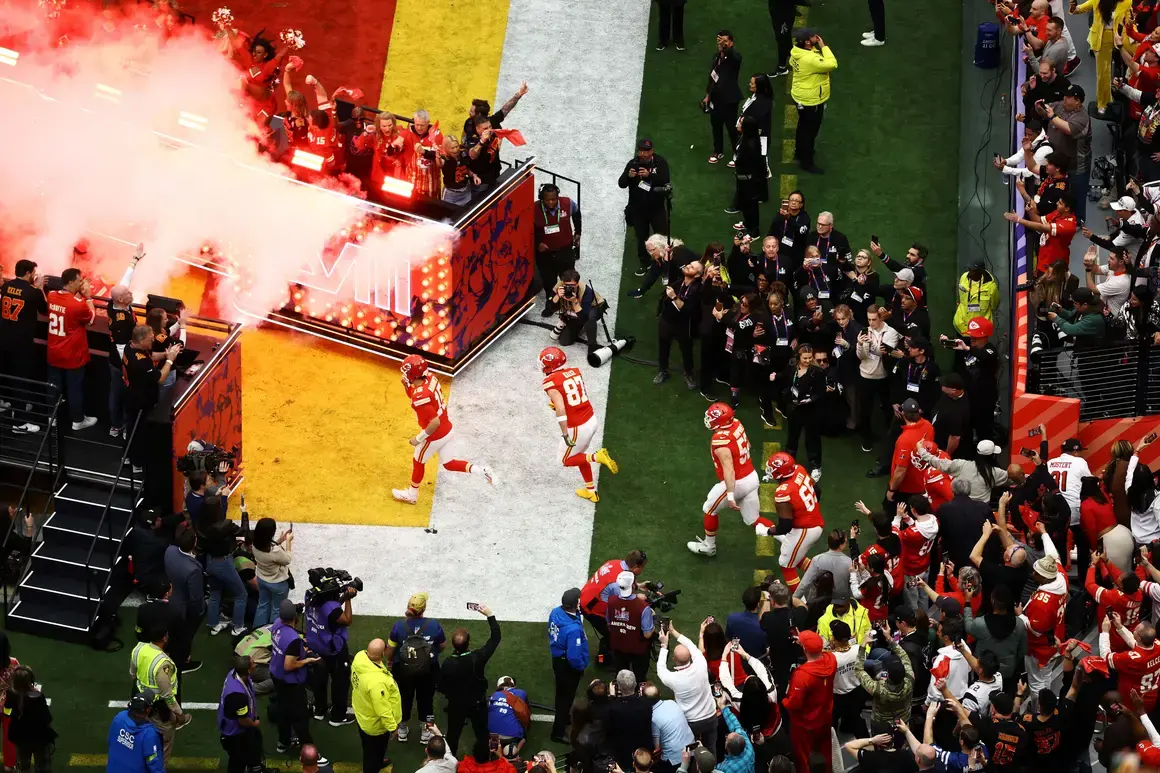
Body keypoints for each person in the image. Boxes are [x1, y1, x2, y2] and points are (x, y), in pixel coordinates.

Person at [393, 354, 494, 504]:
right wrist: (407, 386)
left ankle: (412, 494)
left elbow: (434, 422)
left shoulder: (420, 396)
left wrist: (418, 438)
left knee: (418, 461)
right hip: (448, 429)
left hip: (435, 436)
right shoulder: (431, 378)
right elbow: (418, 394)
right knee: (449, 464)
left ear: (412, 374)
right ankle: (482, 471)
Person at [540, 346, 618, 502]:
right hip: (591, 419)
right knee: (579, 456)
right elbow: (573, 398)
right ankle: (591, 491)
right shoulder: (574, 372)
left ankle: (597, 457)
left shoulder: (549, 382)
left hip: (578, 426)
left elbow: (561, 408)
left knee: (565, 460)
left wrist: (565, 433)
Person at [687, 403, 761, 556]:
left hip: (737, 482)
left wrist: (730, 495)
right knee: (754, 520)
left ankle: (709, 547)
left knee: (709, 508)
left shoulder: (720, 440)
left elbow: (729, 470)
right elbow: (748, 445)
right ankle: (785, 537)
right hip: (752, 477)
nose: (709, 419)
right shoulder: (736, 423)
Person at [438, 603, 500, 756]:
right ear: (469, 643)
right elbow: (495, 638)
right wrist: (490, 615)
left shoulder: (448, 663)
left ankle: (449, 761)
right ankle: (484, 759)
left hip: (456, 704)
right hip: (477, 703)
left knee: (453, 735)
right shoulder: (477, 658)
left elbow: (441, 686)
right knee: (481, 733)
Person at [385, 592, 444, 741]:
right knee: (427, 700)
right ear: (423, 608)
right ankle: (426, 731)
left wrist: (390, 661)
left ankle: (402, 729)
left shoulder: (399, 626)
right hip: (428, 669)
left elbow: (390, 649)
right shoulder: (433, 624)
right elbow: (442, 645)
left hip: (403, 670)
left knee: (403, 698)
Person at [45, 267, 97, 431]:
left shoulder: (52, 295)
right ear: (71, 282)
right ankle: (78, 420)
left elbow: (67, 306)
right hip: (73, 355)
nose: (82, 283)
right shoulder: (78, 305)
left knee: (53, 387)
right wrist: (88, 297)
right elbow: (91, 319)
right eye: (80, 280)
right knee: (75, 389)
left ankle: (51, 417)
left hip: (54, 351)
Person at [130, 625, 188, 766]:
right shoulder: (163, 663)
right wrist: (180, 715)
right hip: (158, 711)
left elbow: (133, 674)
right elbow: (167, 696)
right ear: (165, 638)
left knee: (141, 739)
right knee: (164, 744)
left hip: (140, 706)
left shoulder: (138, 649)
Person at [0, 260, 47, 433]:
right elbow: (45, 310)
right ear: (28, 273)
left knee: (10, 378)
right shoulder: (32, 292)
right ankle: (19, 423)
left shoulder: (6, 286)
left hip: (5, 340)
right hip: (21, 344)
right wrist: (39, 288)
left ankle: (14, 408)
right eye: (33, 272)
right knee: (21, 382)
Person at [656, 623, 717, 751]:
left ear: (673, 659)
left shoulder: (673, 679)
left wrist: (664, 645)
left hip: (690, 722)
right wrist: (674, 631)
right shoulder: (701, 663)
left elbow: (660, 669)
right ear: (690, 656)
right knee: (711, 749)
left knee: (690, 751)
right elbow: (690, 645)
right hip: (710, 716)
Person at [782, 631, 837, 772]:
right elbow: (823, 652)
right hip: (825, 717)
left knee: (805, 758)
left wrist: (784, 701)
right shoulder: (831, 660)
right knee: (825, 752)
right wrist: (805, 642)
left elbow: (794, 704)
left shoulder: (802, 675)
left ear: (804, 650)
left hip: (805, 724)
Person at [270, 599, 320, 756]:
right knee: (300, 717)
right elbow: (289, 665)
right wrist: (307, 660)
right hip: (290, 682)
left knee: (283, 710)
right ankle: (310, 752)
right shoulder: (293, 639)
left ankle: (284, 742)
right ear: (295, 618)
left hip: (276, 675)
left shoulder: (277, 624)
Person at [788, 29, 838, 174]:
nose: (816, 37)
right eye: (812, 37)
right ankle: (806, 162)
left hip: (800, 95)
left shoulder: (796, 52)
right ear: (807, 42)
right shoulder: (811, 59)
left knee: (802, 127)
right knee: (809, 132)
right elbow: (832, 64)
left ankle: (799, 152)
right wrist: (823, 46)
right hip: (811, 100)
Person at [619, 139, 672, 273]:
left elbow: (665, 180)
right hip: (638, 210)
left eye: (646, 151)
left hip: (656, 209)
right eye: (641, 151)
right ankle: (645, 262)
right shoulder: (633, 164)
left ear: (652, 151)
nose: (643, 154)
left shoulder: (660, 162)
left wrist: (650, 176)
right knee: (641, 238)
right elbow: (621, 183)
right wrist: (628, 176)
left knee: (661, 236)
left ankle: (664, 261)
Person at [351, 638, 402, 773]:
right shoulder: (377, 682)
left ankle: (377, 761)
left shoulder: (360, 658)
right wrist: (393, 727)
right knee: (373, 752)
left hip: (363, 715)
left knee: (369, 748)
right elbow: (383, 710)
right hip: (375, 725)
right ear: (382, 654)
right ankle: (373, 766)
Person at [856, 306, 902, 452]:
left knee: (888, 409)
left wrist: (870, 343)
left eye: (874, 319)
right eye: (869, 319)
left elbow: (883, 352)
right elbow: (861, 356)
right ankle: (866, 438)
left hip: (884, 377)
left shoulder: (891, 333)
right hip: (866, 376)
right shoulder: (864, 331)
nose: (871, 323)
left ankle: (892, 438)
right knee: (865, 410)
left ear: (881, 318)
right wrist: (860, 344)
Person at [654, 259, 703, 390]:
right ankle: (663, 370)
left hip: (683, 324)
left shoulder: (697, 290)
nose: (687, 266)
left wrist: (674, 297)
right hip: (667, 320)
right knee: (663, 346)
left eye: (692, 267)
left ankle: (689, 373)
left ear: (697, 275)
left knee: (686, 350)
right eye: (689, 264)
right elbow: (668, 265)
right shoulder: (678, 282)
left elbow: (687, 309)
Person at [535, 184, 582, 317]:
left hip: (565, 251)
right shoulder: (533, 209)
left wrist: (578, 232)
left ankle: (572, 303)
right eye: (548, 200)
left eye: (554, 199)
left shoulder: (567, 203)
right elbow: (527, 230)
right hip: (545, 255)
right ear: (541, 199)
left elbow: (577, 213)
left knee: (569, 279)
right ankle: (551, 305)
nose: (551, 202)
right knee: (549, 282)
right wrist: (537, 244)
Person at [548, 588, 588, 743]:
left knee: (562, 695)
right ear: (575, 604)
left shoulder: (556, 612)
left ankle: (564, 718)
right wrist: (581, 667)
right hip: (568, 665)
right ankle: (558, 732)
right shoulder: (573, 629)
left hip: (558, 658)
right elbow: (574, 657)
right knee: (564, 699)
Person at [854, 624, 913, 726]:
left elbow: (859, 670)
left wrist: (863, 644)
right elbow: (904, 656)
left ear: (887, 674)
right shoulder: (910, 680)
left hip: (881, 725)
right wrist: (889, 638)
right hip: (903, 721)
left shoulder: (878, 689)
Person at [163, 528, 204, 670]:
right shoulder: (193, 569)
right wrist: (199, 611)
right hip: (184, 607)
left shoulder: (170, 551)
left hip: (171, 599)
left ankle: (171, 651)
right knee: (186, 635)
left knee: (174, 633)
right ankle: (183, 662)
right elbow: (195, 597)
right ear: (194, 543)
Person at [218, 655, 266, 773]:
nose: (255, 664)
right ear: (249, 670)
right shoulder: (238, 695)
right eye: (253, 663)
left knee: (254, 746)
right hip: (235, 733)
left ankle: (255, 767)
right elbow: (242, 720)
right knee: (237, 760)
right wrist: (254, 723)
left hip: (240, 727)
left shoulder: (234, 674)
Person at [702, 30, 743, 165]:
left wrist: (725, 47)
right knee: (716, 125)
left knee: (732, 128)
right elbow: (712, 77)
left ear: (731, 43)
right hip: (716, 98)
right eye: (720, 41)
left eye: (725, 41)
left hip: (729, 99)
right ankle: (717, 151)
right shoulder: (716, 57)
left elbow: (733, 56)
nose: (721, 44)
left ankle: (737, 153)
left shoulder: (735, 57)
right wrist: (708, 95)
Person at [606, 571, 655, 683]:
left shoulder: (611, 601)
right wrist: (653, 620)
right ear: (633, 585)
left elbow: (609, 625)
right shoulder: (643, 607)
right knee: (639, 676)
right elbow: (647, 634)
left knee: (621, 675)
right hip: (638, 649)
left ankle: (621, 690)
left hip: (618, 646)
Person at [604, 670, 654, 770]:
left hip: (623, 750)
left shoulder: (613, 708)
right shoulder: (646, 704)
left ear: (618, 687)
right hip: (643, 747)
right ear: (635, 684)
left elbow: (608, 728)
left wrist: (612, 698)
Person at [107, 693, 165, 773]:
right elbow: (154, 765)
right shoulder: (149, 734)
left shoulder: (119, 718)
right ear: (148, 709)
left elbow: (110, 741)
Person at [251, 517, 292, 628]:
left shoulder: (255, 544)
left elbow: (268, 547)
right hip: (277, 583)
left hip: (261, 579)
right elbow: (287, 559)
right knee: (276, 608)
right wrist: (288, 542)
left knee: (262, 605)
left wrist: (280, 540)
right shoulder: (275, 551)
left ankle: (257, 630)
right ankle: (273, 631)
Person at [644, 682, 693, 773]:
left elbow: (657, 747)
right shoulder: (672, 702)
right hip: (691, 750)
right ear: (660, 694)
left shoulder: (653, 718)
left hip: (674, 761)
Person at [732, 118, 767, 235]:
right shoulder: (745, 138)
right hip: (743, 178)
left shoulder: (751, 145)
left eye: (741, 122)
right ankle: (747, 223)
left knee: (751, 205)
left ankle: (754, 230)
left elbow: (754, 164)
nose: (738, 123)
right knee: (744, 203)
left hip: (749, 180)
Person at [487, 676, 529, 754]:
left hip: (492, 734)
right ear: (514, 685)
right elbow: (526, 710)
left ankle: (493, 745)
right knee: (525, 724)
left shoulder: (494, 695)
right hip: (512, 736)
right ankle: (516, 749)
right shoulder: (521, 693)